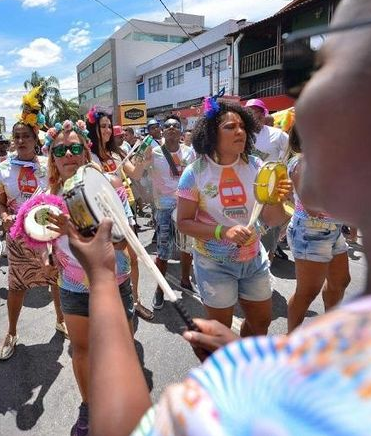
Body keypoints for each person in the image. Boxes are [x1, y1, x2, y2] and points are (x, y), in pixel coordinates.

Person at [66, 0, 371, 433]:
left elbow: (123, 429)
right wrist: (250, 364)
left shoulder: (268, 404)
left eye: (314, 62)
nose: (299, 102)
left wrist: (103, 282)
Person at [40, 120, 135, 436]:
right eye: (60, 150)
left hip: (114, 282)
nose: (68, 154)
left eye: (75, 147)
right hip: (72, 286)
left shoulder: (110, 186)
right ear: (52, 158)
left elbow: (125, 240)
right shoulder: (47, 196)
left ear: (86, 152)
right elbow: (43, 242)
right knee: (82, 350)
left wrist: (93, 230)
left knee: (120, 349)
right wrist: (45, 255)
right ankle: (89, 406)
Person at [176, 102, 290, 334]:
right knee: (220, 330)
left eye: (242, 126)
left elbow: (274, 219)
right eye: (230, 127)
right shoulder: (195, 173)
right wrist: (223, 231)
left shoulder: (258, 166)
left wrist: (277, 198)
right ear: (211, 134)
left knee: (261, 323)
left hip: (253, 260)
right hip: (214, 263)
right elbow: (183, 223)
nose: (240, 131)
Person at [0, 122, 66, 360]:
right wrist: (4, 215)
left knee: (55, 279)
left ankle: (61, 320)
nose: (21, 140)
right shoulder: (4, 168)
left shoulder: (49, 165)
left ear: (36, 138)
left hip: (46, 233)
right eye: (17, 136)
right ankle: (11, 333)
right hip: (17, 237)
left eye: (26, 136)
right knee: (16, 286)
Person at [86, 108, 154, 321]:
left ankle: (135, 300)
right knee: (108, 263)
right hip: (102, 216)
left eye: (108, 126)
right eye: (102, 126)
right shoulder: (88, 155)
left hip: (125, 212)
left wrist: (145, 158)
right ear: (92, 129)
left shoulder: (117, 153)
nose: (106, 130)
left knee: (132, 258)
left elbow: (136, 173)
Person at [286, 128, 350, 331]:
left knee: (340, 281)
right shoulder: (300, 162)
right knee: (307, 292)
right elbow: (312, 207)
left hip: (332, 230)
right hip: (310, 232)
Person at [140, 115, 196, 311]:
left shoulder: (190, 153)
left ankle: (185, 280)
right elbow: (140, 173)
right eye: (168, 126)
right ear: (162, 132)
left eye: (175, 126)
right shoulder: (154, 152)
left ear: (181, 132)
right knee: (163, 250)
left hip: (185, 204)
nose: (172, 128)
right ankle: (160, 290)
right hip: (164, 206)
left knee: (187, 246)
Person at [243, 98, 290, 261]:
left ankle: (267, 265)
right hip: (245, 192)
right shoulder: (241, 135)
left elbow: (289, 159)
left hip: (270, 193)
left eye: (259, 112)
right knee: (247, 232)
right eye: (251, 113)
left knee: (269, 233)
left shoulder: (278, 136)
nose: (255, 116)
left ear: (265, 114)